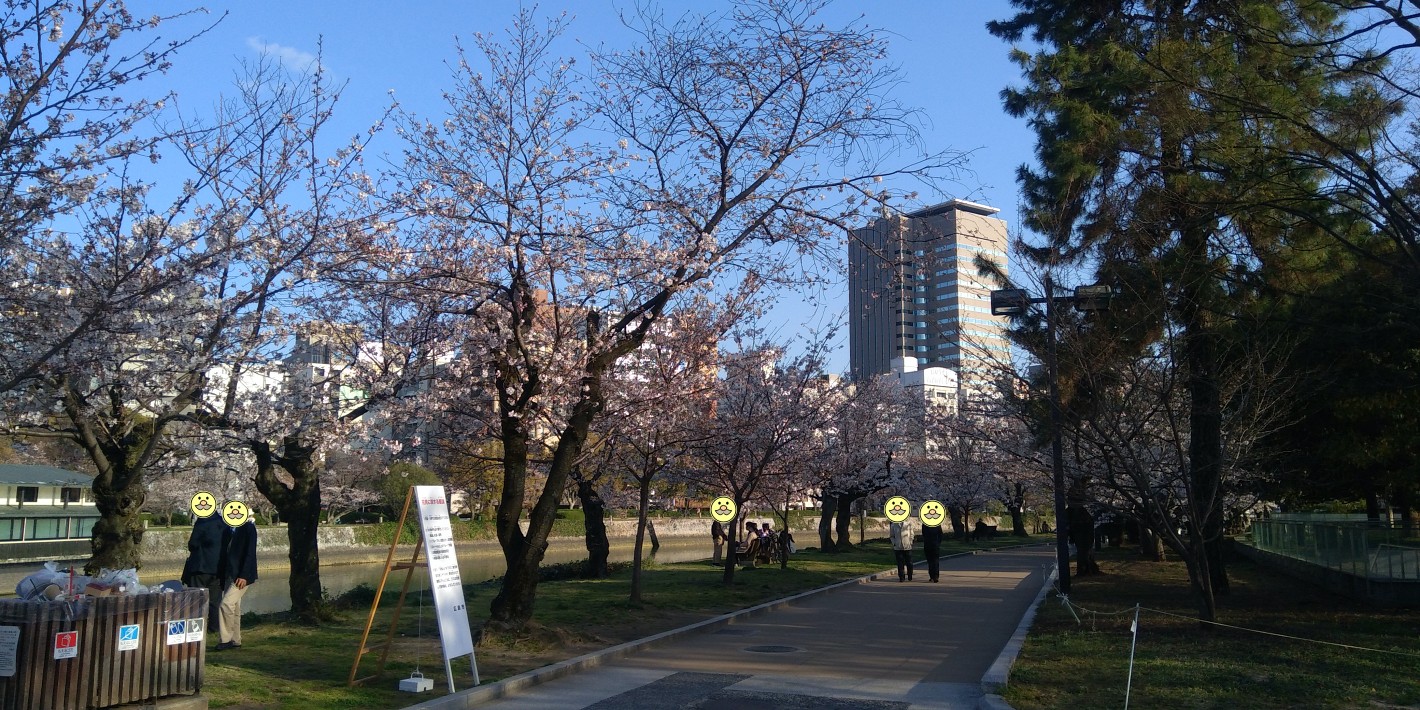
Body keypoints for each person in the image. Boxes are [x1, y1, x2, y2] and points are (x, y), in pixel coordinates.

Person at [215, 519, 258, 650]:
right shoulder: (227, 528)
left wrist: (244, 575)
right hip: (229, 573)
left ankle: (225, 639)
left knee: (225, 604)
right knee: (235, 608)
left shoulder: (248, 527)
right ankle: (235, 640)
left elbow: (250, 552)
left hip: (241, 576)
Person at [181, 513, 225, 631]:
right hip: (218, 569)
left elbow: (193, 543)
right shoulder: (224, 522)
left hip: (200, 567)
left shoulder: (202, 522)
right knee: (215, 601)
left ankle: (195, 628)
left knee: (196, 599)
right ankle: (214, 627)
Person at [922, 518, 943, 583]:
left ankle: (932, 576)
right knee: (935, 561)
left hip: (928, 544)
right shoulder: (937, 524)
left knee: (930, 561)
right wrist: (938, 543)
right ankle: (935, 576)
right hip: (935, 545)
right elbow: (941, 535)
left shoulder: (924, 525)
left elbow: (924, 534)